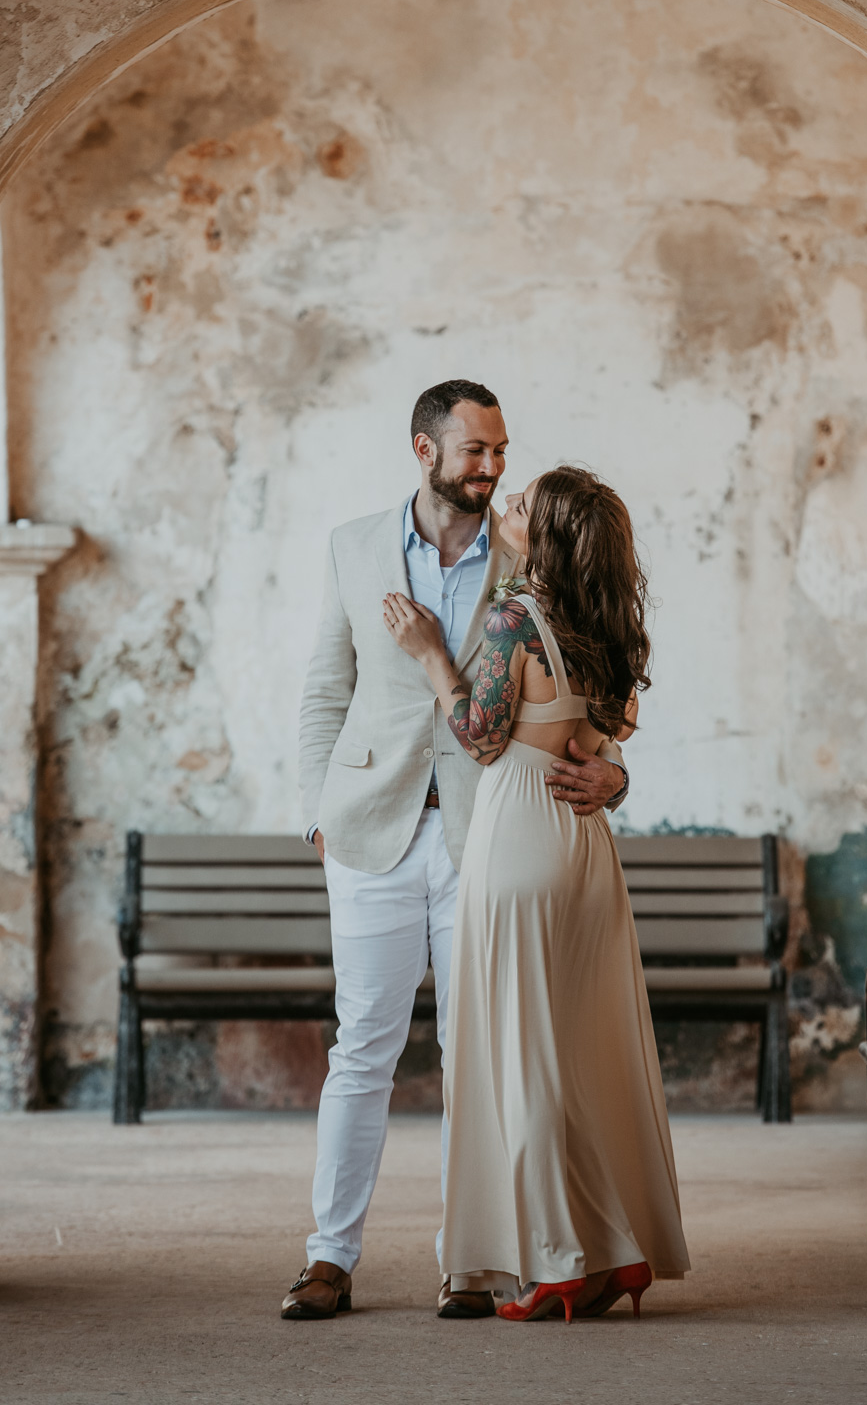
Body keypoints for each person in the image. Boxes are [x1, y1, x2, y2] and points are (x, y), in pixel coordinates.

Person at [282, 384, 630, 1323]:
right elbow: (325, 689)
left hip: (492, 834)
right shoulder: (354, 547)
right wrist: (321, 815)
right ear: (423, 450)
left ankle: (468, 1261)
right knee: (363, 1050)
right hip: (372, 832)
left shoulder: (527, 563)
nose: (492, 468)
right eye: (474, 451)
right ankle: (328, 1257)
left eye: (500, 451)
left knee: (475, 1054)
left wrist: (617, 775)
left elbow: (588, 681)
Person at [382, 465, 689, 1322]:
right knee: (576, 1054)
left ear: (548, 535)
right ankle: (610, 1253)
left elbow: (480, 736)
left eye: (526, 506)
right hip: (586, 848)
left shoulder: (519, 616)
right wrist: (614, 778)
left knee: (525, 1057)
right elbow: (609, 737)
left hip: (519, 836)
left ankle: (561, 1259)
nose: (508, 505)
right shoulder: (610, 625)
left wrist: (433, 656)